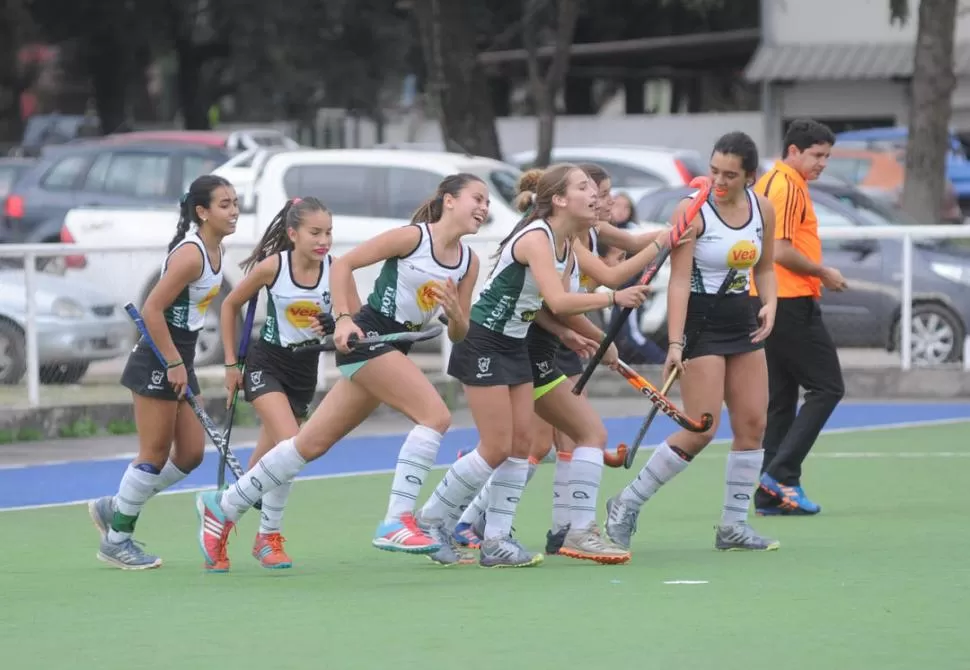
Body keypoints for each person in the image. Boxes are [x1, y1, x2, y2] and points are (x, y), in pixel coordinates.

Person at [193, 173, 485, 572]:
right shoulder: (412, 238)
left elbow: (460, 331)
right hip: (369, 339)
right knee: (435, 415)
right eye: (478, 199)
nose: (484, 208)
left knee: (305, 446)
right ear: (449, 201)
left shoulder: (469, 261)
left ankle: (223, 506)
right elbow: (344, 264)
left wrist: (455, 316)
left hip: (394, 346)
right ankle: (398, 519)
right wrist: (345, 319)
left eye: (487, 202)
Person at [414, 164, 652, 568]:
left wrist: (579, 336)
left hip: (516, 344)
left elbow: (545, 307)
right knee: (496, 447)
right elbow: (558, 301)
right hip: (484, 341)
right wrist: (613, 300)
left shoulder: (566, 243)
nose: (595, 195)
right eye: (583, 188)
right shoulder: (537, 237)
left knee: (522, 447)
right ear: (559, 200)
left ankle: (497, 541)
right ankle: (432, 520)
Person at [605, 131, 782, 553]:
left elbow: (767, 267)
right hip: (700, 324)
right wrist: (674, 344)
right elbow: (680, 281)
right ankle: (625, 503)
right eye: (714, 171)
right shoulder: (694, 210)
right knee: (701, 428)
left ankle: (733, 526)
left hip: (742, 321)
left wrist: (771, 303)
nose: (718, 181)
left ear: (750, 177)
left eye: (730, 175)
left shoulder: (764, 209)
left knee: (754, 424)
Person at [88, 175, 238, 570]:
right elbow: (151, 310)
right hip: (158, 357)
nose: (234, 210)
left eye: (235, 203)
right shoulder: (191, 254)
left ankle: (116, 506)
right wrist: (173, 362)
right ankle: (117, 540)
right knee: (153, 454)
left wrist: (182, 363)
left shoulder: (216, 250)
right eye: (225, 204)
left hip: (179, 356)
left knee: (189, 455)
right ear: (202, 212)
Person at [219, 197, 337, 569]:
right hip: (267, 364)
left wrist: (335, 324)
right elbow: (229, 305)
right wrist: (230, 364)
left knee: (266, 469)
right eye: (315, 232)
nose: (324, 240)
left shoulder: (337, 270)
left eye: (329, 232)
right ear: (293, 233)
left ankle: (217, 524)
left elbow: (352, 317)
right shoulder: (273, 267)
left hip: (305, 372)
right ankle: (267, 538)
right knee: (292, 446)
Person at [752, 119, 847, 516]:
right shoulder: (787, 184)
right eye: (817, 155)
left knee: (782, 399)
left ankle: (769, 494)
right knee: (827, 388)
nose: (823, 163)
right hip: (788, 300)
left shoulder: (775, 180)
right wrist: (822, 271)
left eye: (827, 156)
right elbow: (779, 250)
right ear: (794, 151)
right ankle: (782, 474)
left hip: (767, 299)